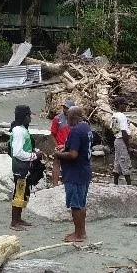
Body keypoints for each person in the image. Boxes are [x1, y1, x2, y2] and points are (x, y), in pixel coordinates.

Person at [53, 106, 93, 242]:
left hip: (75, 172)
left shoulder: (76, 130)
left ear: (73, 117)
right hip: (84, 170)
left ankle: (78, 234)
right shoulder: (86, 127)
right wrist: (65, 148)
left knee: (75, 204)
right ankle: (82, 231)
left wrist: (58, 155)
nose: (66, 120)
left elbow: (73, 154)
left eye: (68, 117)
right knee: (81, 203)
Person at [10, 104, 42, 231]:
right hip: (20, 167)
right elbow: (17, 152)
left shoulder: (21, 129)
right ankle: (14, 222)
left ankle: (18, 218)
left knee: (23, 192)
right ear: (24, 116)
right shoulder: (19, 131)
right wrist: (34, 156)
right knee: (19, 193)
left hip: (24, 167)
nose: (30, 118)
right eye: (29, 115)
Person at [50, 99, 75, 186]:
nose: (65, 110)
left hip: (71, 146)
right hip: (60, 146)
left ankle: (68, 182)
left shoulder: (75, 120)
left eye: (67, 108)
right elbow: (52, 135)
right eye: (64, 108)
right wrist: (57, 146)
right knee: (56, 162)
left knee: (70, 165)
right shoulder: (57, 119)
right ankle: (54, 185)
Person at [110, 97, 132, 185]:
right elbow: (124, 132)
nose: (126, 106)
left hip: (117, 140)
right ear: (120, 105)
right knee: (125, 162)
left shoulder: (114, 115)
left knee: (117, 162)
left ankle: (115, 183)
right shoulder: (122, 116)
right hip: (122, 140)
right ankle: (129, 185)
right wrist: (128, 146)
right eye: (125, 104)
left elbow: (113, 129)